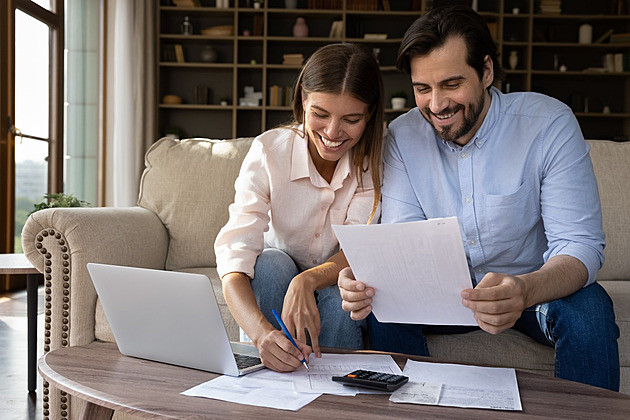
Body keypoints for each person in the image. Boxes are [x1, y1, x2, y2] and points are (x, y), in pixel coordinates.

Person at [338, 5, 620, 391]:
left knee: (590, 310)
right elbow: (403, 238)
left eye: (452, 84)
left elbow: (580, 244)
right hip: (439, 298)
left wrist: (525, 290)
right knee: (381, 309)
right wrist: (371, 279)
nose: (437, 105)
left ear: (486, 71)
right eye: (423, 88)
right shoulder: (403, 137)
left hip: (530, 293)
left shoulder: (548, 124)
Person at [215, 43, 384, 373]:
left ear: (370, 115)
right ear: (303, 99)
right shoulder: (269, 150)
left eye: (351, 119)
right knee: (270, 265)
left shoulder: (374, 161)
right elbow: (235, 256)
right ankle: (267, 372)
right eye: (320, 114)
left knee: (340, 303)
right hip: (276, 272)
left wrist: (306, 281)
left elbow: (357, 247)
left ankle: (336, 399)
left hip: (338, 277)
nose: (332, 133)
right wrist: (261, 334)